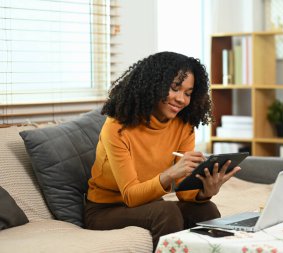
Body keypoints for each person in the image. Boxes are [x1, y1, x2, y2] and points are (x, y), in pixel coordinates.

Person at [84, 51, 241, 250]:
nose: (181, 99)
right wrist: (170, 174)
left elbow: (185, 194)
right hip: (104, 210)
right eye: (175, 88)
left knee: (206, 210)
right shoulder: (117, 127)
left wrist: (204, 192)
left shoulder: (184, 126)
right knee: (166, 212)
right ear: (153, 84)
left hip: (148, 202)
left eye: (188, 93)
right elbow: (130, 196)